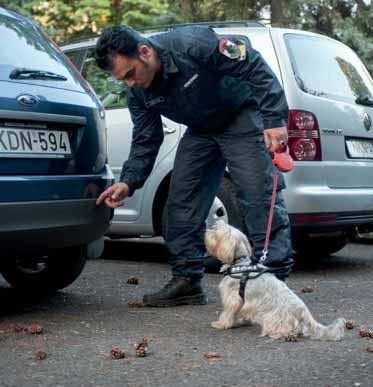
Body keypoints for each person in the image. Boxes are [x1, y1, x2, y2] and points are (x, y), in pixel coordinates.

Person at [95, 24, 294, 307]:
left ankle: (272, 283)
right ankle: (186, 280)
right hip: (201, 129)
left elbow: (254, 66)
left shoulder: (193, 43)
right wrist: (128, 181)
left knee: (258, 196)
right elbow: (145, 140)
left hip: (241, 114)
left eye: (130, 74)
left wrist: (274, 119)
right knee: (181, 201)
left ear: (145, 51)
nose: (130, 84)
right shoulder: (138, 93)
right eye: (122, 79)